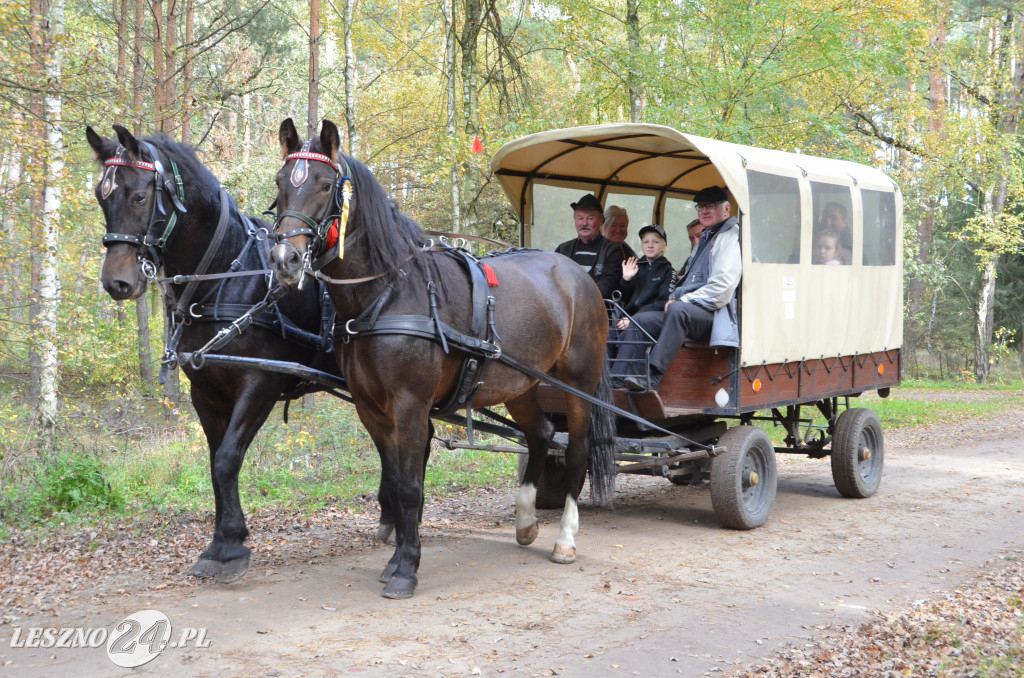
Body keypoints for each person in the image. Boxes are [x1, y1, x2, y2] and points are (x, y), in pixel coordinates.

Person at [613, 186, 741, 393]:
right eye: (700, 207)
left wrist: (683, 300)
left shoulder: (729, 237)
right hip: (691, 311)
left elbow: (722, 289)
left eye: (710, 206)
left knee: (677, 310)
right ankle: (619, 378)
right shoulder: (707, 237)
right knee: (641, 320)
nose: (704, 211)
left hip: (715, 315)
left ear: (726, 210)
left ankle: (652, 375)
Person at [555, 193, 625, 299]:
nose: (584, 223)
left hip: (598, 310)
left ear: (601, 221)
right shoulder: (563, 249)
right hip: (565, 308)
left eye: (590, 218)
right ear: (575, 221)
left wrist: (578, 299)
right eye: (580, 218)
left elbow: (607, 285)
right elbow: (553, 280)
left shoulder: (612, 250)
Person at [617, 224, 675, 322]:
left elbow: (663, 302)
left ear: (664, 247)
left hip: (647, 319)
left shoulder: (668, 271)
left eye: (656, 242)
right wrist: (626, 280)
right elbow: (623, 298)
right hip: (625, 317)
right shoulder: (635, 266)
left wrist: (634, 319)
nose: (650, 245)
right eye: (646, 242)